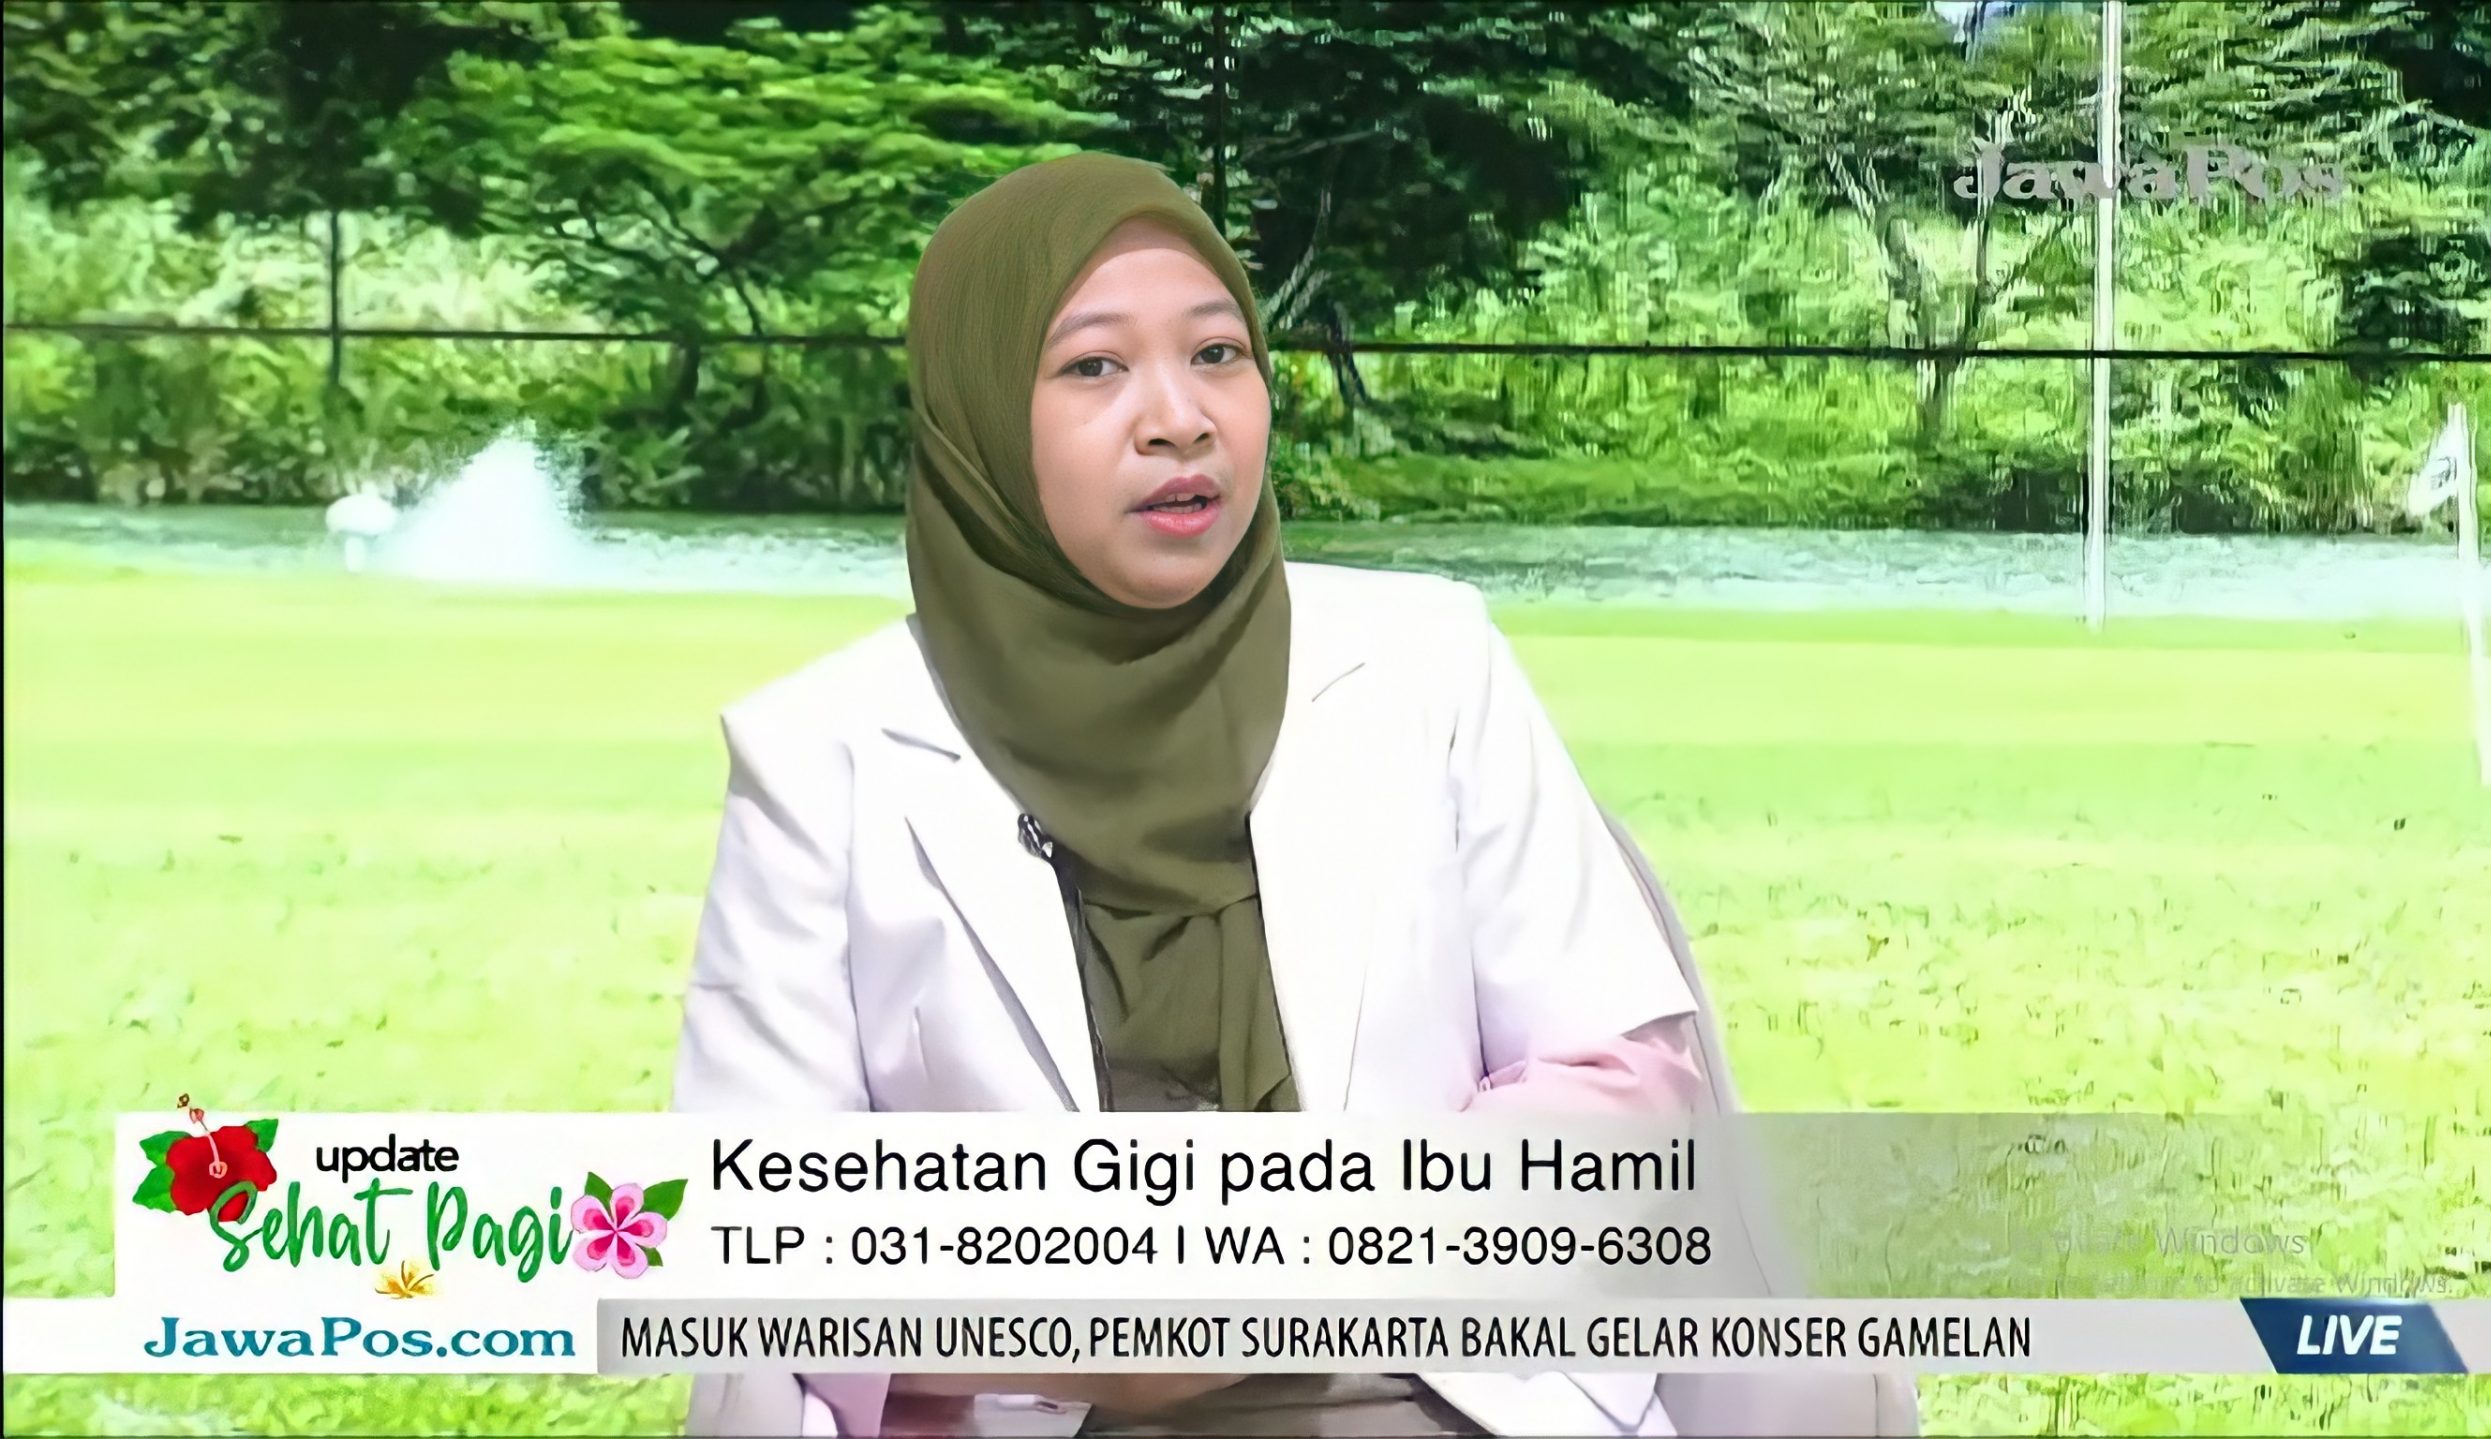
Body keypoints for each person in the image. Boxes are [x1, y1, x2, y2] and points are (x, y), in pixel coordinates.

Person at [674, 152, 1915, 1438]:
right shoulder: (819, 755)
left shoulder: (1426, 659)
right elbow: (746, 1220)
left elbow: (1626, 1085)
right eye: (1094, 368)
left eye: (1217, 353)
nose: (1178, 418)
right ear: (976, 413)